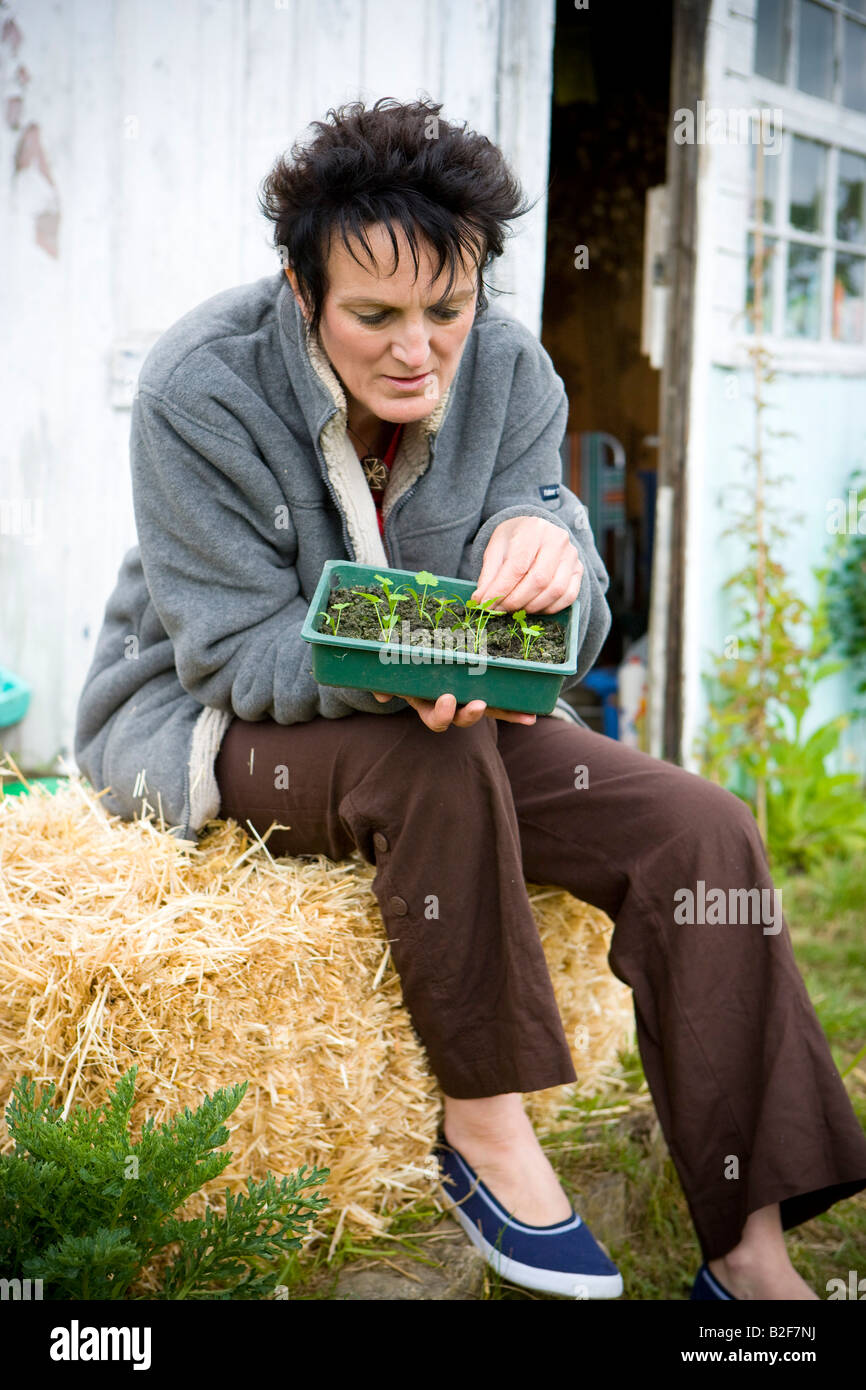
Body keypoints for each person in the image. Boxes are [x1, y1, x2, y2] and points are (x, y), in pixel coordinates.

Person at [74, 96, 866, 1301]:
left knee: (699, 826)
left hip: (449, 711)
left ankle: (748, 1254)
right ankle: (485, 1132)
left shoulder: (506, 368)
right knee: (431, 758)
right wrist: (405, 671)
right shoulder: (198, 386)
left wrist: (544, 551)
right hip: (217, 726)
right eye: (373, 316)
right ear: (300, 293)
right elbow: (231, 654)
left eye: (445, 312)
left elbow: (565, 605)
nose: (416, 351)